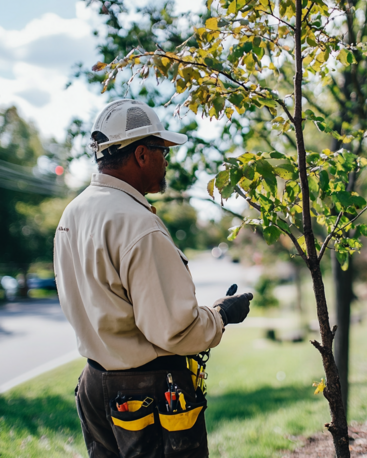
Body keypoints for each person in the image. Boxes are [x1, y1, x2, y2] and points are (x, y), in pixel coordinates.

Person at [54, 99, 253, 458]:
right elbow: (174, 330)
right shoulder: (137, 224)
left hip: (95, 385)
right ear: (142, 154)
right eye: (163, 151)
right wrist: (222, 314)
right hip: (145, 392)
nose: (166, 161)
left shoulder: (73, 213)